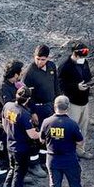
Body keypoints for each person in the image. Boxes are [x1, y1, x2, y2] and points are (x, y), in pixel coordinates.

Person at [38, 96, 90, 187]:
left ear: (55, 106)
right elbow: (80, 141)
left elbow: (41, 139)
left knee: (55, 186)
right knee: (75, 185)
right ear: (67, 107)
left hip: (52, 159)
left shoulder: (46, 122)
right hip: (69, 160)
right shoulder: (72, 124)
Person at [22, 45, 58, 178]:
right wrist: (32, 111)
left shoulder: (52, 67)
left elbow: (56, 85)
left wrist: (56, 102)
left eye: (43, 59)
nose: (40, 62)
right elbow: (26, 95)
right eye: (37, 59)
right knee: (37, 136)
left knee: (48, 135)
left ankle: (45, 161)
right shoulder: (29, 73)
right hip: (37, 108)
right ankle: (34, 165)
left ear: (48, 58)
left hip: (50, 106)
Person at [2, 86, 40, 187]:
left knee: (12, 169)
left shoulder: (8, 106)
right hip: (21, 148)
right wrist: (43, 133)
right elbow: (32, 135)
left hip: (10, 144)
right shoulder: (23, 114)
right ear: (27, 100)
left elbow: (4, 123)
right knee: (19, 174)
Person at [57, 42, 94, 157]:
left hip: (84, 100)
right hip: (72, 102)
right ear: (74, 53)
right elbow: (60, 84)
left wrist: (91, 82)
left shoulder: (85, 62)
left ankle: (79, 150)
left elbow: (87, 76)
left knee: (83, 128)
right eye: (81, 55)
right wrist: (76, 87)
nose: (83, 58)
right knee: (71, 128)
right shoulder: (65, 66)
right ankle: (69, 151)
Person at [0, 59, 23, 184]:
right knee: (2, 152)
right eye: (20, 73)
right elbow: (9, 107)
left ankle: (12, 176)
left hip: (13, 124)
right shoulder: (2, 88)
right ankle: (1, 178)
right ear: (15, 74)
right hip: (5, 126)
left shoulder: (12, 85)